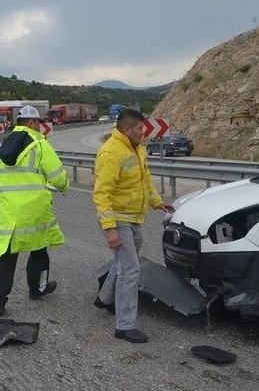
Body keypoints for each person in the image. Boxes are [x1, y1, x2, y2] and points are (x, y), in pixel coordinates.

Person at [93, 108, 174, 343]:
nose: (143, 132)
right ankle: (125, 326)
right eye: (140, 128)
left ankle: (104, 299)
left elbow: (144, 181)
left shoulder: (137, 148)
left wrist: (158, 203)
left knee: (123, 264)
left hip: (135, 217)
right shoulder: (110, 153)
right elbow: (101, 194)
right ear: (127, 129)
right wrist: (110, 229)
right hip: (119, 219)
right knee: (131, 270)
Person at [0, 106, 69, 316]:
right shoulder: (40, 144)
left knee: (6, 255)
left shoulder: (0, 147)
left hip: (9, 212)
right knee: (39, 249)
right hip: (35, 210)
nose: (40, 127)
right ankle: (37, 289)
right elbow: (58, 178)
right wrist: (63, 186)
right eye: (38, 123)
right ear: (32, 123)